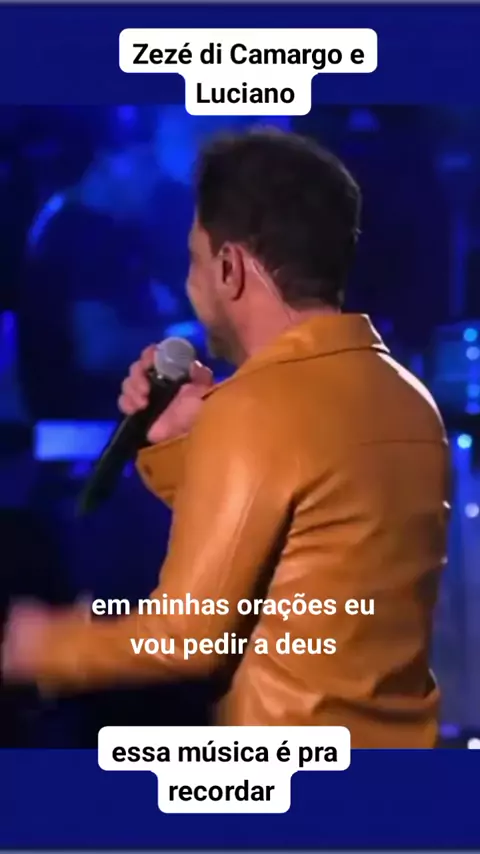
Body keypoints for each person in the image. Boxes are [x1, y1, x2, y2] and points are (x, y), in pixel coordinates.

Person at [1, 127, 450, 747]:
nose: (191, 285)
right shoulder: (410, 400)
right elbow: (305, 559)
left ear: (231, 267)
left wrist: (43, 646)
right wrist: (186, 443)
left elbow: (189, 638)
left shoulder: (256, 408)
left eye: (194, 261)